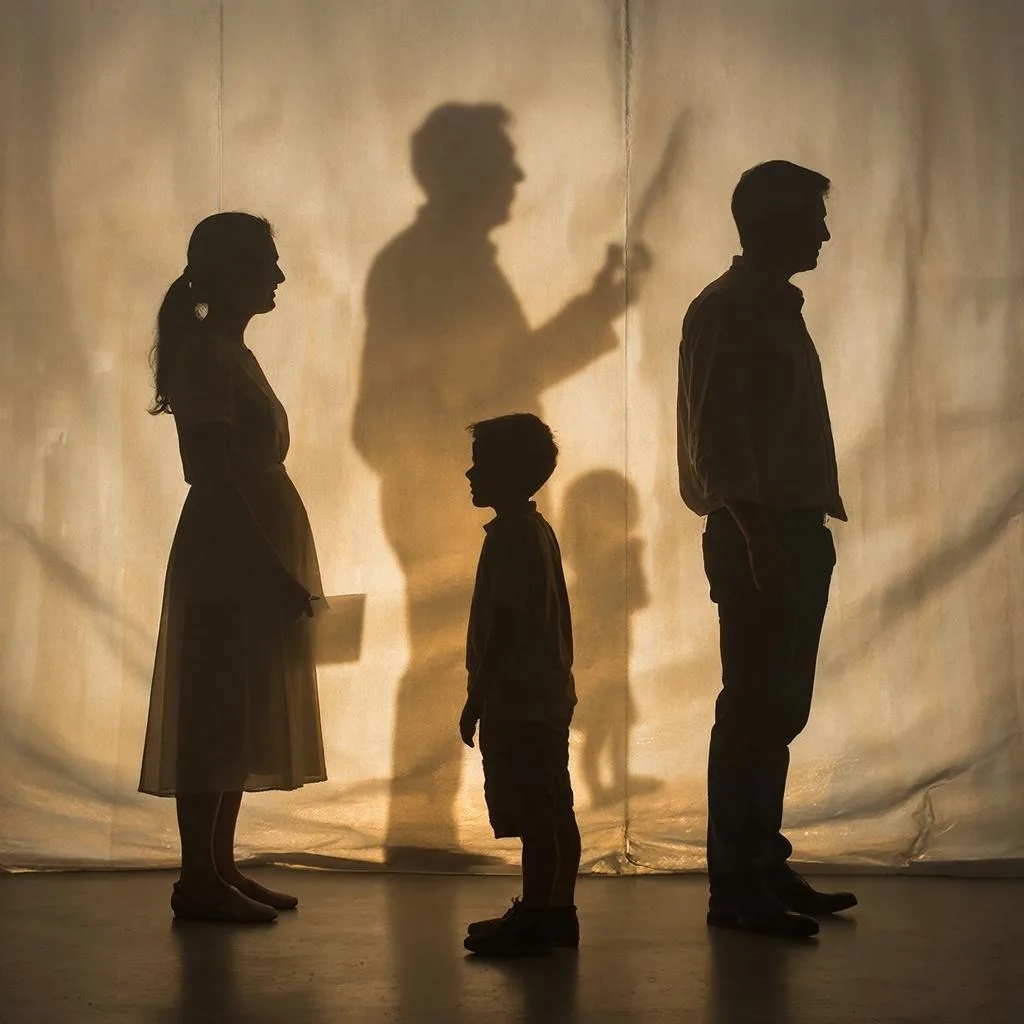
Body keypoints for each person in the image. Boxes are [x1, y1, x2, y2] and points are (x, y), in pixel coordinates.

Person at [352, 102, 644, 865]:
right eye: (502, 162)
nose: (516, 175)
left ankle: (426, 831)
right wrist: (591, 314)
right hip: (431, 499)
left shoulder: (441, 262)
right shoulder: (431, 265)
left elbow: (496, 373)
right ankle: (425, 832)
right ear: (464, 170)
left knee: (458, 653)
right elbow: (482, 379)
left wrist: (591, 311)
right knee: (450, 655)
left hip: (434, 493)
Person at [676, 161, 858, 940]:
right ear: (771, 223)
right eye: (812, 218)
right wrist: (758, 541)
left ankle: (759, 864)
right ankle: (738, 884)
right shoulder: (731, 310)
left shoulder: (767, 307)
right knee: (754, 709)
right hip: (764, 533)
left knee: (775, 709)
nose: (824, 233)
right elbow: (718, 438)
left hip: (788, 531)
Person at [139, 212, 327, 924]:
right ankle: (198, 877)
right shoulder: (207, 358)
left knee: (238, 703)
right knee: (216, 706)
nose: (278, 276)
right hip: (229, 547)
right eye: (265, 263)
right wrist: (267, 567)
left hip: (247, 539)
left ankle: (217, 865)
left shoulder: (230, 352)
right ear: (231, 271)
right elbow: (210, 475)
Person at [458, 414, 580, 957]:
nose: (470, 474)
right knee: (555, 807)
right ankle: (558, 911)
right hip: (547, 695)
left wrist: (476, 698)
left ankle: (533, 917)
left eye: (480, 464)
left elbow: (504, 628)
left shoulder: (509, 539)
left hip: (518, 700)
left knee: (534, 815)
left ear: (505, 472)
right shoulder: (537, 530)